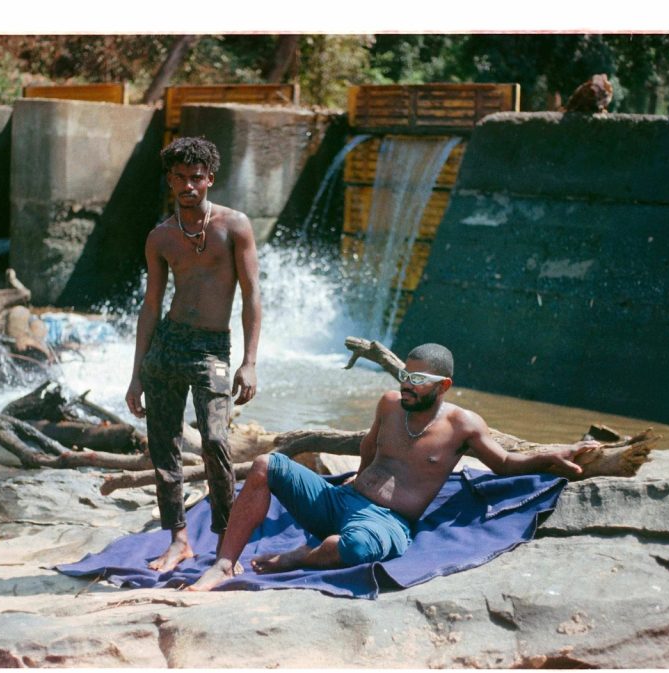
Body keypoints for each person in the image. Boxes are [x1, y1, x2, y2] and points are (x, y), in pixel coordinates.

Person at [186, 342, 599, 591]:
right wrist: (355, 476)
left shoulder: (464, 425)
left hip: (387, 520)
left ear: (443, 387)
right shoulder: (388, 403)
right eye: (404, 373)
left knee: (356, 548)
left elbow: (506, 463)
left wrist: (554, 455)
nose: (406, 384)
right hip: (343, 499)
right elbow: (369, 445)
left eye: (417, 380)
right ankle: (224, 564)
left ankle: (298, 558)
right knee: (264, 464)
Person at [125, 136, 262, 572]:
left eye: (196, 178)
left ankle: (225, 543)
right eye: (180, 178)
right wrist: (136, 374)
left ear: (210, 180)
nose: (189, 186)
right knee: (163, 446)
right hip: (168, 345)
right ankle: (179, 540)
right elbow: (150, 306)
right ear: (170, 180)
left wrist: (250, 361)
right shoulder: (160, 236)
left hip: (212, 348)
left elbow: (253, 295)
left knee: (217, 441)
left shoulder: (233, 225)